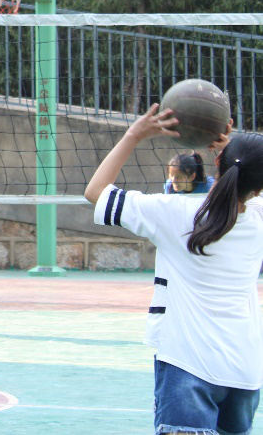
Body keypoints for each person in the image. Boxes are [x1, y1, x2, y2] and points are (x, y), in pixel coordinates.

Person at [86, 107, 261, 435]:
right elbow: (249, 177)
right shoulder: (259, 216)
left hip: (188, 365)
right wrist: (232, 153)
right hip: (245, 372)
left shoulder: (174, 212)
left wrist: (134, 134)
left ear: (217, 163)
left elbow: (95, 192)